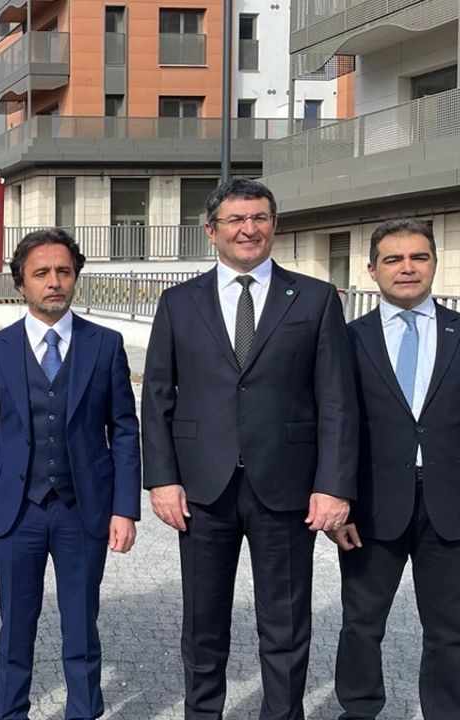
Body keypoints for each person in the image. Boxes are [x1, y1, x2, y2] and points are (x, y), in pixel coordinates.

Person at [142, 178, 358, 720]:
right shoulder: (179, 302)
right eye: (236, 219)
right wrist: (162, 479)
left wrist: (333, 485)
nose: (249, 229)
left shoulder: (315, 298)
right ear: (211, 230)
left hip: (287, 488)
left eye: (259, 217)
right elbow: (158, 397)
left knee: (285, 626)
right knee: (203, 624)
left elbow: (337, 400)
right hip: (202, 490)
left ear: (274, 225)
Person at [0, 229, 140, 720]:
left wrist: (124, 509)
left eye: (63, 272)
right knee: (14, 631)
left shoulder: (105, 345)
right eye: (41, 273)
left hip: (82, 510)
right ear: (20, 283)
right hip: (16, 512)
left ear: (75, 278)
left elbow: (124, 430)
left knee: (82, 629)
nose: (54, 282)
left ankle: (83, 713)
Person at [330, 219, 460, 719]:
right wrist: (337, 501)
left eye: (419, 257)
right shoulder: (346, 340)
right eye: (393, 259)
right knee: (361, 623)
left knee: (450, 629)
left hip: (449, 505)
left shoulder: (457, 331)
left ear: (434, 264)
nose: (407, 268)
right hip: (371, 505)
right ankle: (359, 710)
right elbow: (333, 425)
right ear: (372, 270)